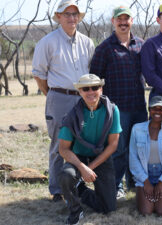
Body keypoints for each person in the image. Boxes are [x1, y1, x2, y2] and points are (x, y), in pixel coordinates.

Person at [32, 0, 94, 202]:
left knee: (81, 142)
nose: (71, 18)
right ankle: (57, 190)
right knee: (60, 143)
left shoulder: (87, 42)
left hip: (83, 98)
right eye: (67, 14)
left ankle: (77, 184)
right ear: (58, 17)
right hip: (59, 97)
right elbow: (39, 74)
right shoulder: (48, 42)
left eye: (75, 14)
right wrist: (51, 95)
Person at [90, 5, 147, 198]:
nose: (123, 23)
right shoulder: (104, 48)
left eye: (127, 19)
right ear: (113, 22)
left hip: (139, 107)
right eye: (119, 19)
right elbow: (95, 80)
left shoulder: (140, 44)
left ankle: (134, 182)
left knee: (138, 147)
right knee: (118, 149)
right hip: (116, 109)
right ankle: (116, 186)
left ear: (132, 21)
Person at [58, 74, 122, 225]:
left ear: (101, 89)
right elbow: (63, 149)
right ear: (80, 91)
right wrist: (82, 168)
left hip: (101, 158)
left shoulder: (112, 110)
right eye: (85, 88)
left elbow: (113, 145)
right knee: (66, 175)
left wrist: (90, 168)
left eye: (95, 87)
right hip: (78, 157)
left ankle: (80, 190)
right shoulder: (72, 115)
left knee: (109, 208)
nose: (91, 91)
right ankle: (75, 211)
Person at [129, 95, 162, 216]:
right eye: (154, 108)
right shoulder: (137, 129)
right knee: (146, 211)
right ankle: (142, 191)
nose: (158, 112)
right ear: (149, 109)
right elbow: (133, 157)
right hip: (144, 174)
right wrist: (145, 181)